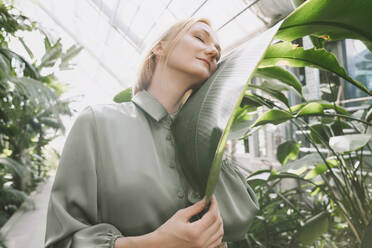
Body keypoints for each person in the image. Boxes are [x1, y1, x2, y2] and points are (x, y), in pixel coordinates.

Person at [44, 17, 259, 248]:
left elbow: (240, 219)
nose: (212, 52)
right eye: (199, 37)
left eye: (217, 53)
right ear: (160, 46)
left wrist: (210, 143)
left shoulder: (204, 137)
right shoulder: (97, 122)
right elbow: (61, 241)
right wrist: (154, 243)